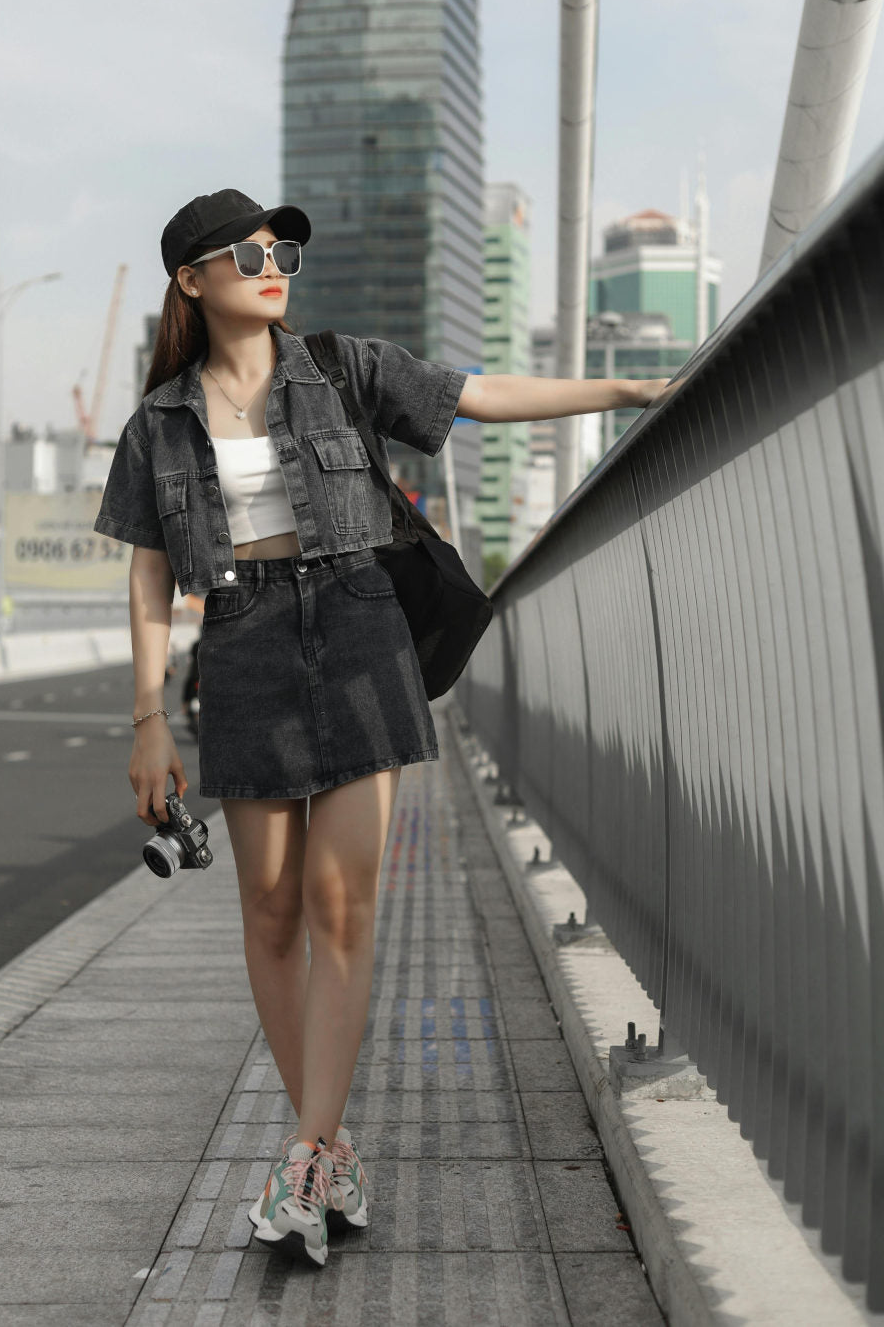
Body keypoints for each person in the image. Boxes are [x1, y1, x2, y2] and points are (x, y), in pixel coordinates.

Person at [94, 188, 671, 1268]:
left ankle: (307, 1152)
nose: (273, 264)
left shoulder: (345, 368)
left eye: (281, 251)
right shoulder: (159, 422)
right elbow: (145, 579)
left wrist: (633, 386)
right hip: (244, 646)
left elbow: (477, 395)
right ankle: (328, 1144)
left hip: (361, 629)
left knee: (338, 901)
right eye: (247, 252)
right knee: (268, 913)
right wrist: (146, 720)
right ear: (191, 280)